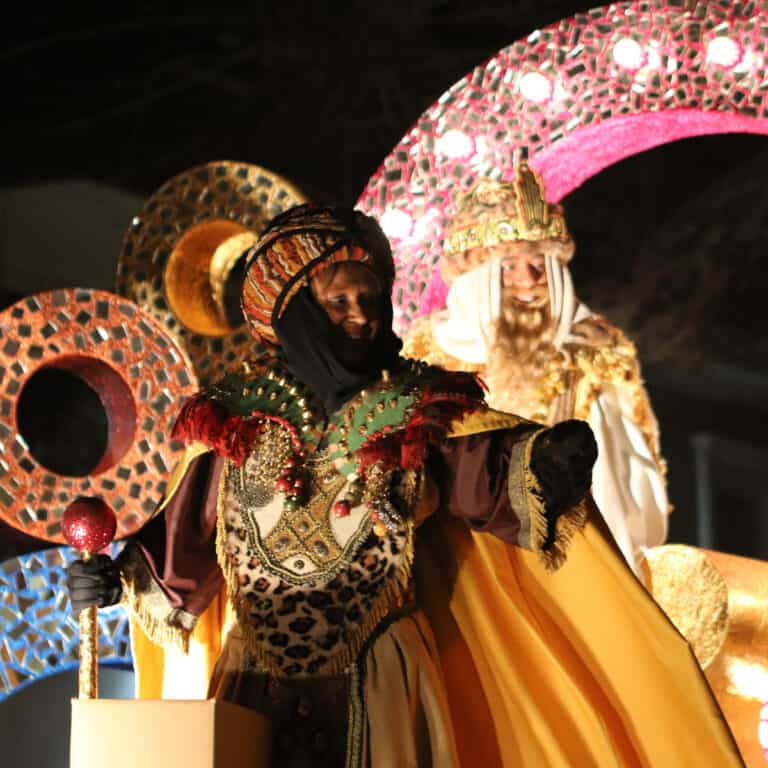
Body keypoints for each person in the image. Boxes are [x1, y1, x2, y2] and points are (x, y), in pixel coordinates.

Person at [68, 205, 742, 767]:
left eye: (369, 298)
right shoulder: (235, 429)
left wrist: (543, 460)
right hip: (253, 693)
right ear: (296, 312)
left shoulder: (418, 410)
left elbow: (483, 473)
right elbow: (175, 560)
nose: (361, 315)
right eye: (338, 302)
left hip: (382, 685)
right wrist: (113, 577)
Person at [403, 165, 670, 575]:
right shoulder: (427, 354)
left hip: (567, 563)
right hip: (459, 564)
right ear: (478, 275)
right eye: (508, 266)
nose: (527, 282)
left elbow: (627, 491)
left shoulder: (592, 356)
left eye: (539, 264)